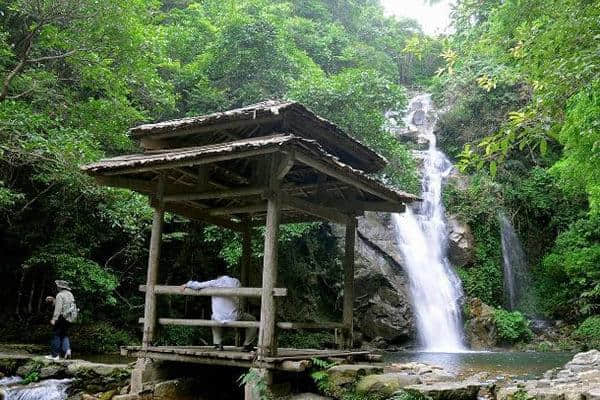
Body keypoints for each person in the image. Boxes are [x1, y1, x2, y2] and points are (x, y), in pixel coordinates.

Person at [180, 262, 257, 352]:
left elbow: (198, 285)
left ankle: (217, 344)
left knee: (214, 317)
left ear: (216, 273)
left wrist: (187, 284)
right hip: (235, 317)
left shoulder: (214, 283)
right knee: (253, 320)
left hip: (218, 318)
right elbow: (240, 299)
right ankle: (247, 345)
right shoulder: (236, 281)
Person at [46, 280, 77, 360]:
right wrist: (53, 300)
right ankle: (67, 350)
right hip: (69, 318)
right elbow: (67, 305)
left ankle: (55, 355)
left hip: (62, 317)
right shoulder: (70, 294)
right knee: (64, 335)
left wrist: (54, 319)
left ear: (60, 287)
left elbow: (59, 308)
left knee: (55, 335)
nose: (57, 287)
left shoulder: (60, 294)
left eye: (57, 286)